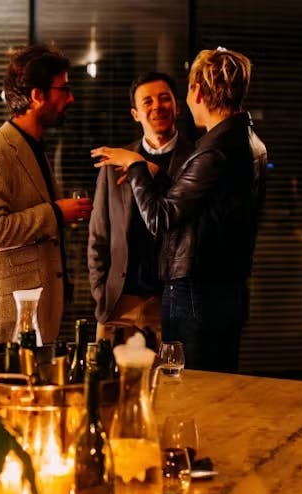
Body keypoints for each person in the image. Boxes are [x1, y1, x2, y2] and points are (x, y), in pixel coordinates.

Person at [91, 48, 267, 372]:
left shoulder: (212, 152)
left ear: (196, 91)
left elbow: (160, 218)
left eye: (183, 91)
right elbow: (210, 211)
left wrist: (136, 166)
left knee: (192, 393)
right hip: (222, 290)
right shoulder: (248, 142)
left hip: (197, 295)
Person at [0, 44, 92, 356]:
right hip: (11, 321)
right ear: (37, 96)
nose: (71, 98)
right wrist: (55, 213)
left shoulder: (34, 146)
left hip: (37, 315)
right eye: (63, 89)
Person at [87, 72, 194, 346]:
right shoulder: (115, 163)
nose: (157, 106)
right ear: (136, 113)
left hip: (167, 301)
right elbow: (98, 236)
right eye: (147, 101)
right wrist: (101, 294)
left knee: (169, 386)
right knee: (109, 386)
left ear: (177, 106)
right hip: (118, 302)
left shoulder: (195, 160)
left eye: (164, 99)